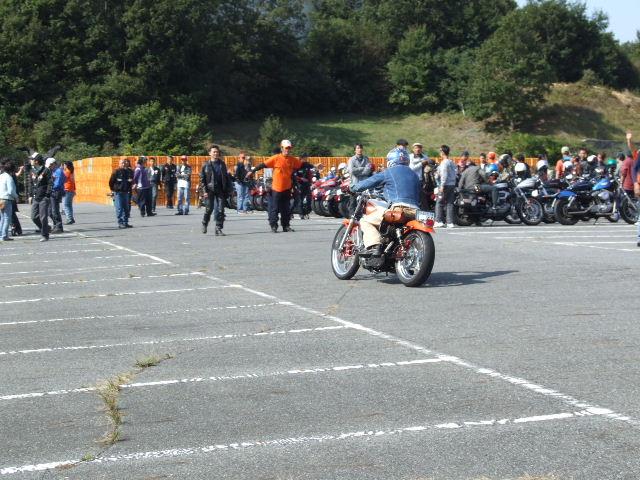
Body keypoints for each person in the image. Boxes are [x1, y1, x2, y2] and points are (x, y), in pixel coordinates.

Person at [349, 143, 420, 257]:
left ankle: (374, 246)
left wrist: (352, 187)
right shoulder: (415, 175)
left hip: (398, 208)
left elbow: (369, 182)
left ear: (391, 160)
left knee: (365, 220)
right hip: (415, 211)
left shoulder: (389, 172)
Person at [246, 139, 314, 233]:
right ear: (282, 148)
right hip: (276, 188)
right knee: (274, 208)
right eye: (286, 148)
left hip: (287, 188)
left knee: (286, 208)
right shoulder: (276, 158)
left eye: (289, 148)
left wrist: (313, 166)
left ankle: (286, 226)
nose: (287, 150)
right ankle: (274, 225)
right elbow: (263, 165)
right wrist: (252, 171)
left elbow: (302, 165)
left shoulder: (292, 159)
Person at [200, 145, 231, 236]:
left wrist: (229, 189)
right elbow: (202, 179)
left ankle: (218, 228)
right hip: (209, 189)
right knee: (209, 209)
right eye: (214, 152)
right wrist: (204, 191)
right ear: (210, 153)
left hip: (220, 189)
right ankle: (204, 223)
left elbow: (226, 177)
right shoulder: (205, 165)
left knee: (221, 209)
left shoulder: (222, 164)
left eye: (217, 152)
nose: (216, 153)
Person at [30, 154, 52, 241]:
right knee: (34, 217)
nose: (30, 161)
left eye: (32, 159)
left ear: (36, 161)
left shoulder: (46, 170)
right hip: (35, 197)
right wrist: (30, 195)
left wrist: (47, 195)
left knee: (43, 217)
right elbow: (31, 184)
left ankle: (45, 235)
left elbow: (50, 183)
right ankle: (46, 228)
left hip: (43, 197)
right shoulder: (32, 170)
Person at [434, 145, 457, 228]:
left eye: (440, 151)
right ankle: (450, 222)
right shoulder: (452, 162)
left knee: (439, 202)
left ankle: (438, 221)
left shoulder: (444, 162)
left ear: (442, 152)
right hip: (452, 184)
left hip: (445, 184)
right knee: (450, 203)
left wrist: (442, 185)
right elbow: (456, 172)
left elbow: (444, 174)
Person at [109, 158, 134, 229]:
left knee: (126, 208)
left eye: (124, 163)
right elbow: (111, 182)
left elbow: (130, 181)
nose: (123, 164)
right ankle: (120, 223)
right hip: (118, 192)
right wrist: (113, 190)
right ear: (119, 164)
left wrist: (129, 187)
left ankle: (126, 222)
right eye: (122, 163)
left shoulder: (128, 172)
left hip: (126, 192)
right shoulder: (116, 172)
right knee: (119, 208)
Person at [347, 144, 372, 215]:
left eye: (361, 148)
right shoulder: (351, 160)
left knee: (364, 203)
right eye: (358, 148)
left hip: (364, 184)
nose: (359, 149)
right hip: (354, 184)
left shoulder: (366, 159)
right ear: (355, 150)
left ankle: (361, 217)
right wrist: (363, 169)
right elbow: (352, 171)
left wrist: (358, 171)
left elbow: (368, 170)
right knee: (353, 202)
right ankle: (352, 217)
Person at [0, 161, 18, 241]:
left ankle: (1, 234)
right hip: (6, 199)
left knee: (2, 218)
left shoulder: (1, 176)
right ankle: (4, 235)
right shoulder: (9, 178)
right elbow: (10, 191)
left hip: (0, 199)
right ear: (12, 170)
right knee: (7, 218)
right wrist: (16, 196)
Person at [47, 157, 65, 233]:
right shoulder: (53, 171)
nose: (49, 167)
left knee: (55, 210)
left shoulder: (59, 171)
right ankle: (56, 225)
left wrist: (50, 186)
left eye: (50, 165)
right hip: (52, 192)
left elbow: (58, 183)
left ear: (53, 164)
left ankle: (59, 226)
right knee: (50, 211)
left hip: (56, 192)